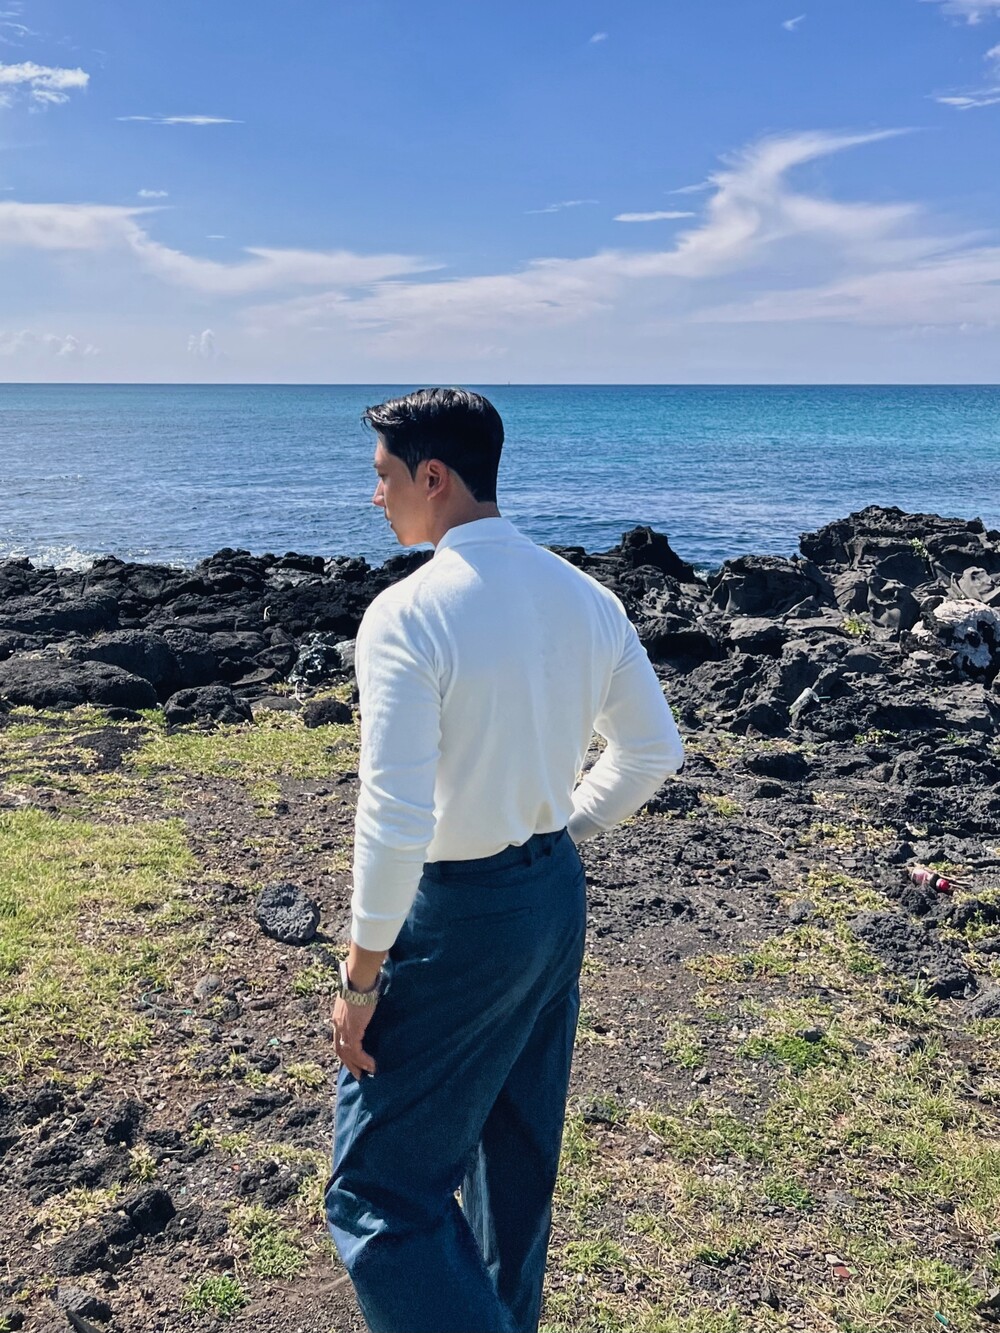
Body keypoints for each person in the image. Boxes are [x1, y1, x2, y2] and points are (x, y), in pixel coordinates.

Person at [324, 387, 684, 1333]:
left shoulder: (408, 614)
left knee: (379, 1195)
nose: (375, 496)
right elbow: (653, 750)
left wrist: (361, 976)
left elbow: (395, 816)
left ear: (434, 476)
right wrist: (559, 825)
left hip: (459, 915)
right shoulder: (586, 597)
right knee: (515, 1172)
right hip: (551, 897)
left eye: (384, 477)